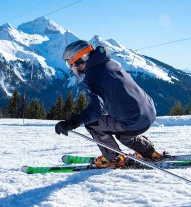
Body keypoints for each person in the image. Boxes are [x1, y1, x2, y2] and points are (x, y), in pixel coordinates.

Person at [54, 40, 163, 168]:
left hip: (133, 121)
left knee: (93, 124)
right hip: (149, 113)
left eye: (69, 63)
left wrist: (72, 123)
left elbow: (95, 111)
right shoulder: (112, 63)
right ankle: (149, 152)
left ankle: (114, 158)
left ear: (79, 61)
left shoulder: (92, 77)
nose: (70, 68)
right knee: (124, 135)